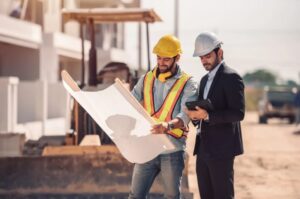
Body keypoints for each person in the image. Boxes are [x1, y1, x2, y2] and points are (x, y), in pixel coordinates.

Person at [128, 35, 198, 199]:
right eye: (159, 58)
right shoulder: (146, 79)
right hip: (147, 147)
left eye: (166, 59)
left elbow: (185, 115)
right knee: (135, 196)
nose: (161, 62)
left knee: (171, 197)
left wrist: (167, 126)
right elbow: (130, 102)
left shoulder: (188, 83)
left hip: (172, 149)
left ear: (177, 58)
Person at [185, 32, 245, 199]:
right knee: (206, 195)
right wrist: (195, 116)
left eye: (207, 56)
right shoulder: (204, 80)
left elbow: (238, 113)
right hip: (203, 148)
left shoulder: (232, 77)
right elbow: (203, 112)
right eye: (201, 58)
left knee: (222, 195)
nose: (204, 61)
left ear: (220, 53)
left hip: (222, 150)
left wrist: (208, 116)